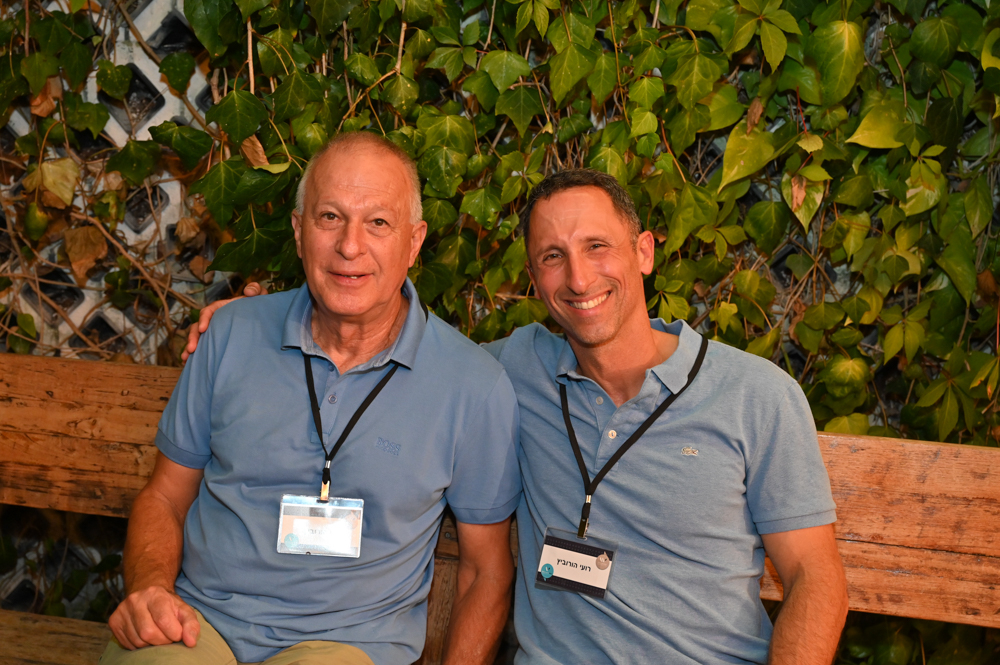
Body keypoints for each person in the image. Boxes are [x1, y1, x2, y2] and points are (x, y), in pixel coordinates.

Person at [189, 167, 848, 664]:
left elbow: (815, 580)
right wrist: (257, 319)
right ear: (534, 278)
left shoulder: (755, 395)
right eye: (553, 257)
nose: (579, 279)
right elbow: (392, 345)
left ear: (644, 251)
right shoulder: (509, 374)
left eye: (598, 246)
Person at [103, 132, 521, 665]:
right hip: (198, 624)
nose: (350, 246)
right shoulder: (230, 334)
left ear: (414, 242)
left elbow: (485, 570)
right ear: (300, 232)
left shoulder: (472, 386)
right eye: (330, 217)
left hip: (348, 645)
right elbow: (164, 497)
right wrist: (150, 591)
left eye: (378, 222)